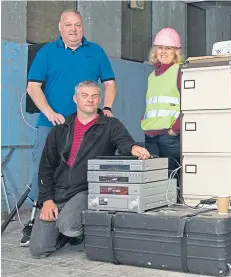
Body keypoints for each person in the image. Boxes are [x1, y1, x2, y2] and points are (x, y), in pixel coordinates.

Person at [21, 9, 117, 246]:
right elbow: (33, 87)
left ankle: (77, 222)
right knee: (44, 171)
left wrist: (107, 107)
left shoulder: (96, 52)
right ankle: (38, 218)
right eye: (68, 25)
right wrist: (50, 113)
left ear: (82, 27)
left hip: (88, 126)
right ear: (60, 27)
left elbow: (110, 83)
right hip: (51, 125)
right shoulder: (46, 52)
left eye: (77, 25)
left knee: (86, 172)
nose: (73, 29)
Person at [29, 80, 150, 258]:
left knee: (69, 224)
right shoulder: (61, 128)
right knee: (38, 249)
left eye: (95, 96)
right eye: (84, 95)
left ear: (100, 99)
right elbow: (45, 168)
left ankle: (72, 228)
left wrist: (133, 148)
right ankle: (67, 235)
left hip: (88, 190)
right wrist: (46, 200)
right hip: (59, 191)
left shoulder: (110, 125)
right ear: (75, 99)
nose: (90, 100)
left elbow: (123, 141)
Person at [140, 28, 182, 188]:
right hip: (151, 136)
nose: (163, 52)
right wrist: (144, 120)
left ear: (176, 51)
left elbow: (189, 103)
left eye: (168, 48)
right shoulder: (152, 76)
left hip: (169, 137)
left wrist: (175, 130)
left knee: (172, 182)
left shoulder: (179, 71)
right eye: (160, 47)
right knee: (155, 183)